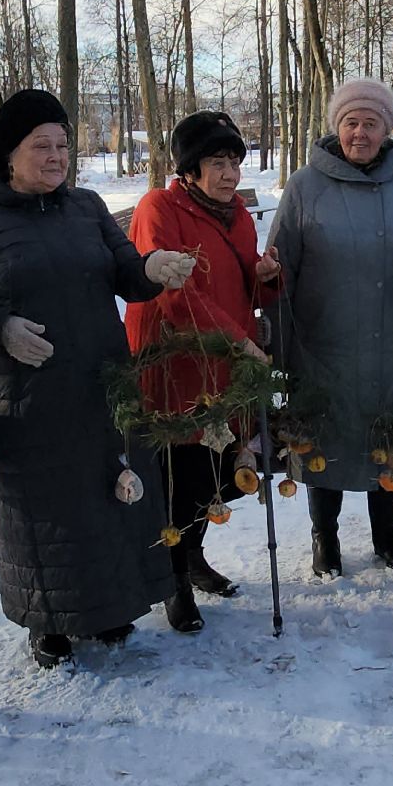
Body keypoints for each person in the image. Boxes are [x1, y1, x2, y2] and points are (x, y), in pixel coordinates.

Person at [0, 89, 197, 667]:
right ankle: (44, 621)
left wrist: (153, 269)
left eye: (62, 145)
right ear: (6, 155)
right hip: (28, 393)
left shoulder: (87, 207)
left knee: (109, 494)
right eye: (40, 146)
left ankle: (109, 608)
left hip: (104, 381)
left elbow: (126, 273)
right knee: (45, 508)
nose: (56, 156)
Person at [269, 77, 393, 576]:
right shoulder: (305, 185)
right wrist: (279, 344)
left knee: (385, 437)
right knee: (323, 438)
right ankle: (323, 537)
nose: (360, 133)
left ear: (387, 130)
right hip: (325, 342)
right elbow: (279, 267)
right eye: (351, 122)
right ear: (337, 127)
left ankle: (386, 535)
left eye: (371, 123)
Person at [124, 111, 281, 632]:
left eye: (235, 161)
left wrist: (266, 277)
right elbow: (173, 295)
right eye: (217, 162)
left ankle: (191, 555)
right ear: (190, 168)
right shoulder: (158, 208)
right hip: (175, 365)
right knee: (179, 476)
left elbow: (243, 289)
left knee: (215, 473)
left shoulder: (235, 213)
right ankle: (172, 580)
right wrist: (240, 344)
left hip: (226, 364)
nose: (231, 173)